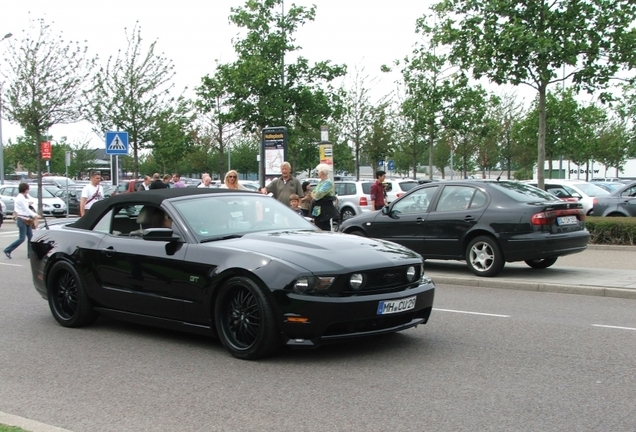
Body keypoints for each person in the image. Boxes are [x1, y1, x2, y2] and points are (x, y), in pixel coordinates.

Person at [4, 183, 38, 259]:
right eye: (28, 189)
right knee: (22, 238)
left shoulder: (22, 197)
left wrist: (28, 202)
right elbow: (26, 209)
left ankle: (30, 254)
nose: (28, 191)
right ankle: (8, 250)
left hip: (26, 219)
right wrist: (35, 215)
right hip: (22, 219)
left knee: (30, 237)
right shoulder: (20, 198)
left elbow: (26, 203)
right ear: (25, 190)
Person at [310, 163, 339, 231]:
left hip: (325, 210)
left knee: (324, 227)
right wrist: (314, 195)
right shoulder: (321, 182)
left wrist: (314, 195)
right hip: (318, 209)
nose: (317, 173)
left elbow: (318, 194)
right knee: (318, 226)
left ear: (322, 172)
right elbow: (313, 192)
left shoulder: (328, 182)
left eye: (318, 171)